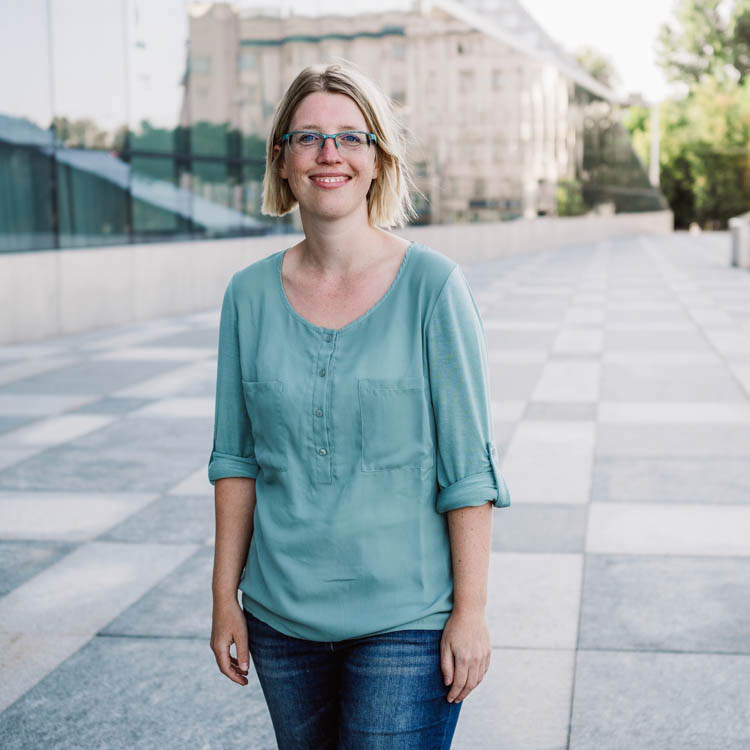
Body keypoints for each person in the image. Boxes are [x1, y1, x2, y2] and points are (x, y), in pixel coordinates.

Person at [208, 60, 510, 749]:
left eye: (351, 137)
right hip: (282, 622)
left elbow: (469, 470)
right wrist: (225, 598)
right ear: (281, 162)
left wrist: (472, 612)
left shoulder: (434, 288)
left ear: (379, 161)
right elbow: (235, 460)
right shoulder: (247, 296)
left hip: (408, 620)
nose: (329, 154)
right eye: (308, 137)